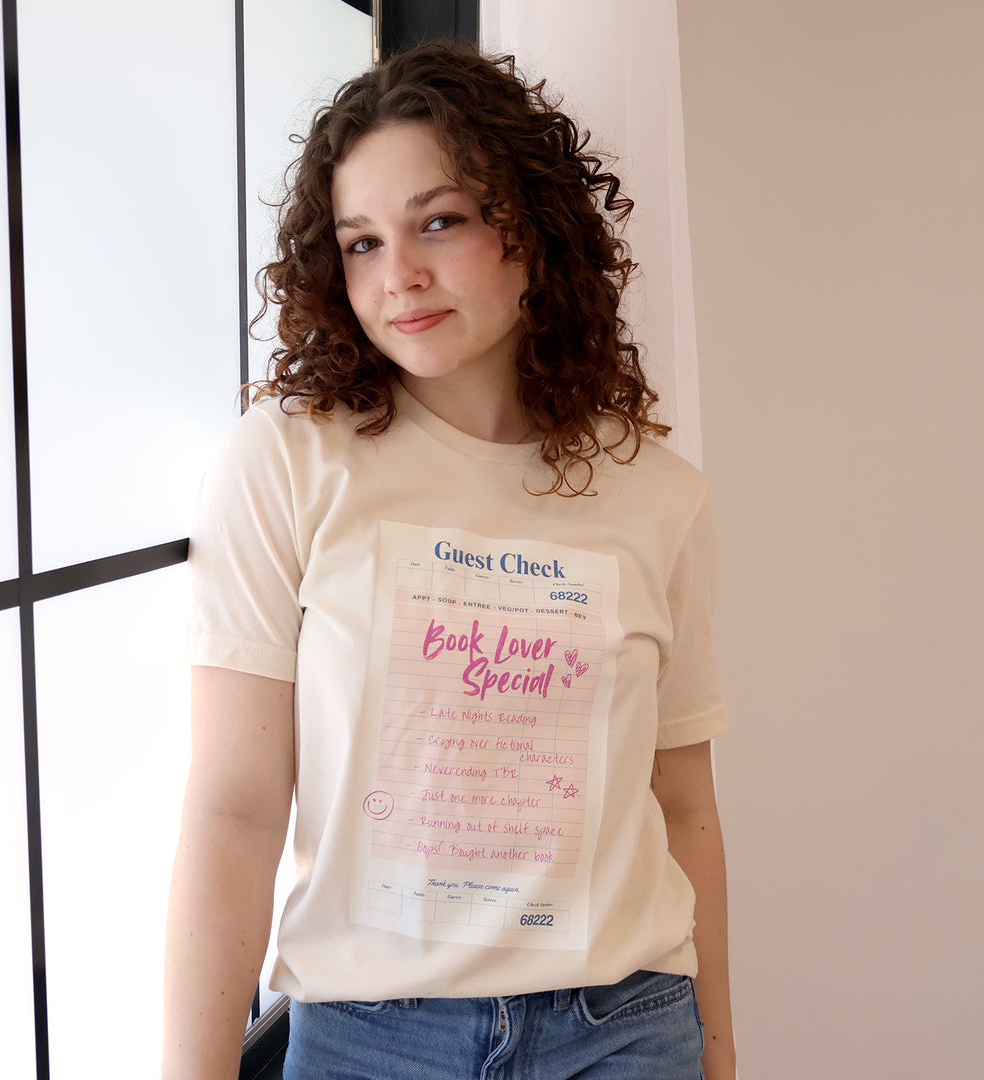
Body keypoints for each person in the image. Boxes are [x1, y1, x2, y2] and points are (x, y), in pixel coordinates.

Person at [163, 40, 735, 1080]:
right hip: (368, 1040)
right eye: (362, 242)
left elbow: (686, 806)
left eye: (439, 221)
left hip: (627, 1034)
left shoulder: (658, 494)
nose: (402, 276)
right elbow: (234, 809)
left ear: (535, 227)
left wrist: (722, 1051)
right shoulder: (288, 464)